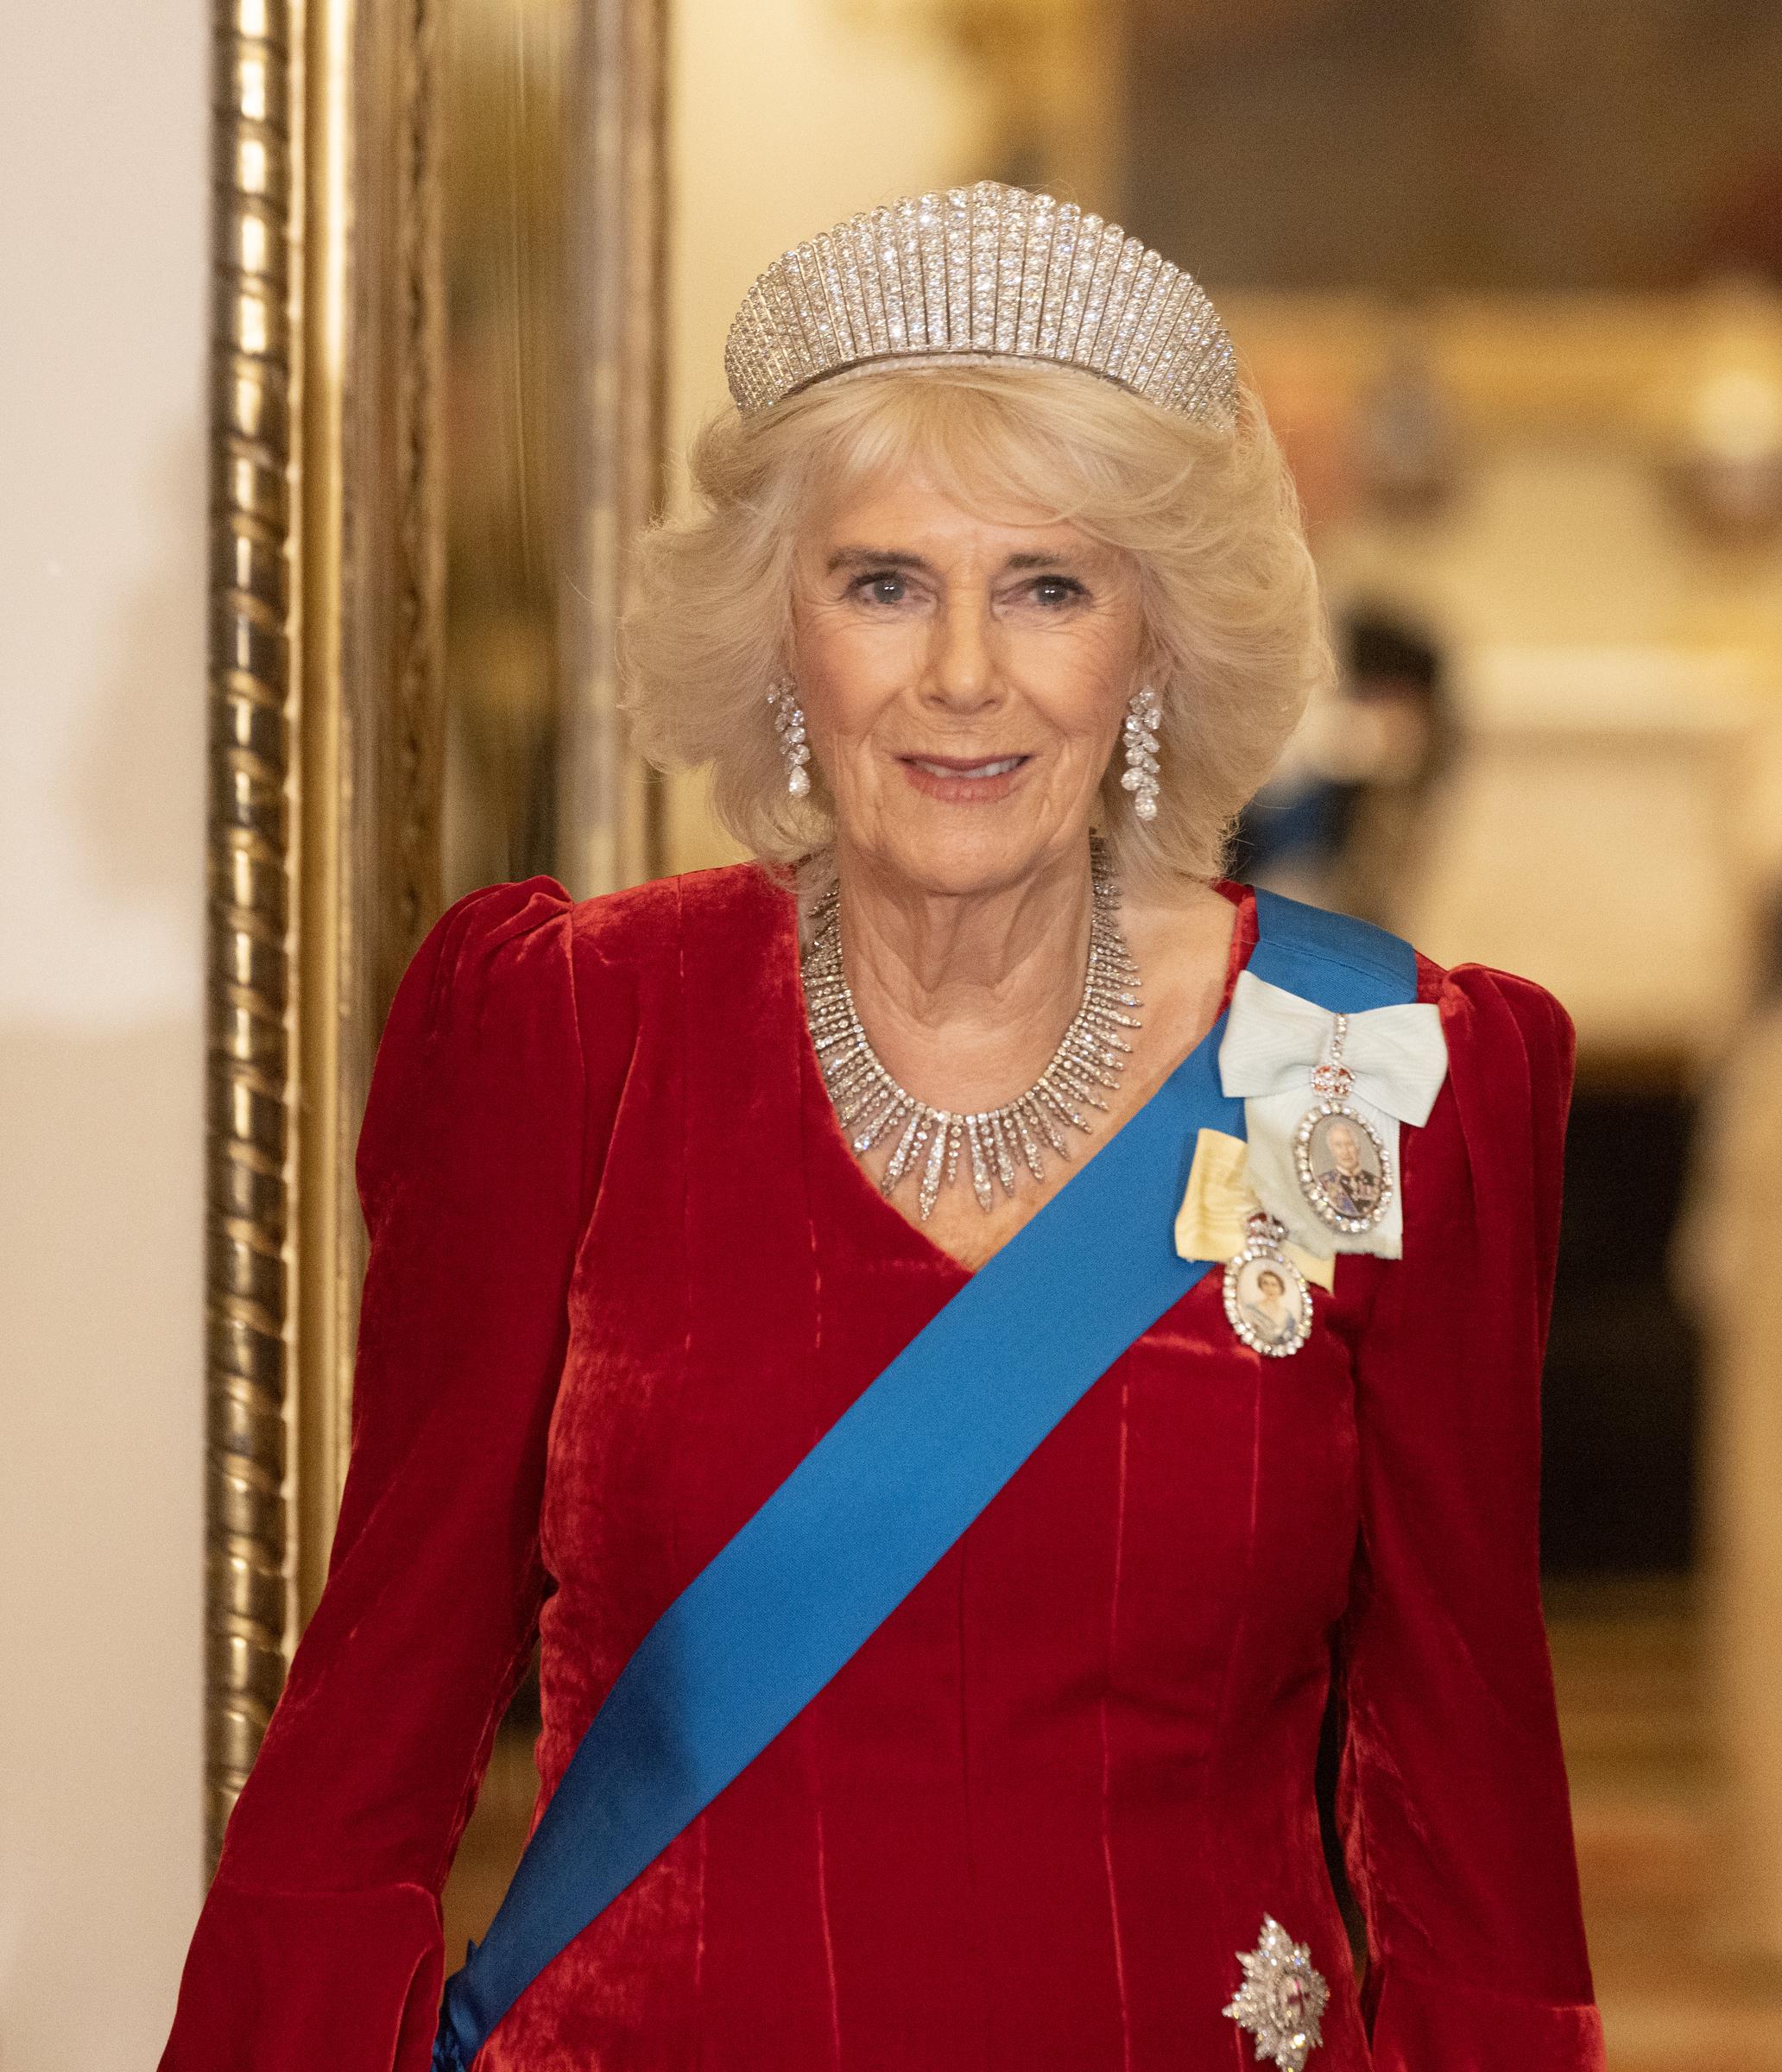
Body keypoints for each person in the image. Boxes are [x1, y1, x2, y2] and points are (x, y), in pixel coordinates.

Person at [158, 181, 1604, 2070]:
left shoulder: (1371, 1065)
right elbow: (373, 1743)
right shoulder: (572, 1031)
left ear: (1152, 646)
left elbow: (1468, 1801)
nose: (963, 679)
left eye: (1050, 588)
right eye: (884, 582)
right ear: (781, 630)